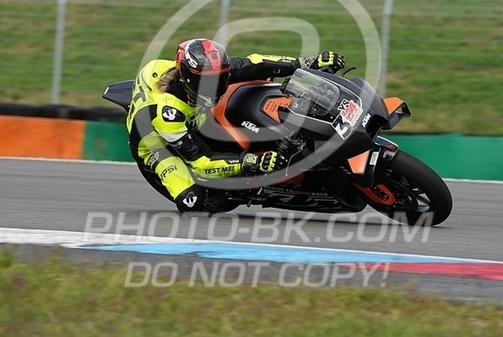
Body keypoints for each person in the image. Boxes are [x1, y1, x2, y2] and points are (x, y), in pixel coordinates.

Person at [126, 38, 345, 213]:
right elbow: (201, 161)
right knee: (193, 201)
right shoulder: (168, 115)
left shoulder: (199, 72)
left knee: (253, 82)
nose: (217, 85)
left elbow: (256, 63)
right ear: (190, 80)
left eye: (221, 77)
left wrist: (306, 63)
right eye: (209, 82)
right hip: (159, 147)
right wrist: (251, 161)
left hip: (195, 115)